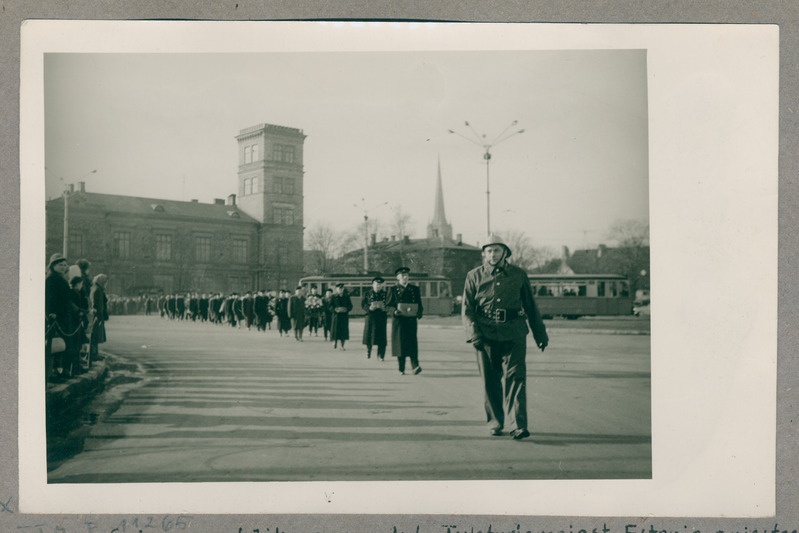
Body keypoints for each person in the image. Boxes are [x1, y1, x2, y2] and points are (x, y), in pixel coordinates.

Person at [462, 234, 549, 440]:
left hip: (514, 333)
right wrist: (474, 334)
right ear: (484, 254)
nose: (493, 255)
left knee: (516, 378)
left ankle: (518, 424)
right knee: (490, 381)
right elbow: (467, 309)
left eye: (497, 250)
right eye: (489, 251)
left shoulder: (518, 275)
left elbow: (530, 305)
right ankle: (495, 421)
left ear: (505, 253)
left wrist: (540, 333)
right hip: (485, 335)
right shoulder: (474, 276)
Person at [44, 253, 81, 381]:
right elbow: (49, 299)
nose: (63, 267)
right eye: (60, 265)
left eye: (65, 265)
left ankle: (62, 371)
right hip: (57, 317)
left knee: (64, 344)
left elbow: (67, 300)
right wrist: (51, 312)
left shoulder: (60, 278)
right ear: (53, 265)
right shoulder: (51, 279)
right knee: (57, 345)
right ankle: (54, 372)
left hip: (64, 316)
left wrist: (77, 311)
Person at [386, 267, 423, 375]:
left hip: (411, 321)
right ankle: (401, 367)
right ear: (398, 277)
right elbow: (388, 306)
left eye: (406, 275)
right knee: (400, 344)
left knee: (412, 343)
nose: (405, 277)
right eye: (402, 276)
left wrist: (419, 312)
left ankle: (415, 366)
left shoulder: (415, 289)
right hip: (399, 321)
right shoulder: (392, 289)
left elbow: (419, 304)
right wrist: (394, 311)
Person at [361, 276, 388, 361]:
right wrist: (369, 308)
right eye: (376, 284)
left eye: (380, 285)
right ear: (372, 285)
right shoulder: (367, 293)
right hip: (370, 317)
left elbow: (389, 304)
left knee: (382, 337)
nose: (378, 286)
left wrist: (385, 308)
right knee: (370, 336)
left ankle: (381, 355)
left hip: (381, 317)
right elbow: (363, 304)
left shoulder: (385, 294)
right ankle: (368, 350)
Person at [89, 273, 110, 365]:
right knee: (95, 336)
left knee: (97, 336)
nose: (106, 284)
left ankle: (95, 353)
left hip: (99, 315)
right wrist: (99, 316)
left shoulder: (98, 289)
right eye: (105, 282)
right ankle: (94, 354)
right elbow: (96, 305)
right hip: (97, 316)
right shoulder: (97, 290)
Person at [329, 283, 352, 350]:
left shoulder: (346, 296)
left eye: (342, 288)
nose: (340, 290)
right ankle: (335, 342)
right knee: (335, 330)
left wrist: (346, 309)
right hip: (336, 316)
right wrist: (335, 309)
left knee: (343, 331)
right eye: (339, 289)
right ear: (336, 289)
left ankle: (342, 345)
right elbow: (330, 306)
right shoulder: (333, 297)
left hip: (344, 316)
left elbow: (350, 306)